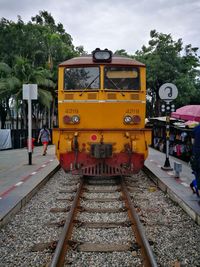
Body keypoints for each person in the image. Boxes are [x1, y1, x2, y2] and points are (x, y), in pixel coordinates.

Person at [191, 124, 200, 198]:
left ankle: (194, 184)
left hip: (196, 155)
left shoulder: (196, 128)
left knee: (197, 173)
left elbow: (192, 142)